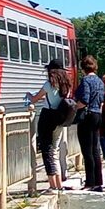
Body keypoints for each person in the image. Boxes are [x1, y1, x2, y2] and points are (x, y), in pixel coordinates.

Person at [25, 60, 74, 192]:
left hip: (47, 118)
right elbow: (58, 99)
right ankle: (59, 184)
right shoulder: (67, 85)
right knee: (55, 151)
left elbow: (34, 99)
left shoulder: (48, 85)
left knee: (47, 151)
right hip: (60, 119)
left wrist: (29, 96)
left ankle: (52, 185)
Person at [74, 54, 105, 190]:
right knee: (95, 149)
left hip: (87, 116)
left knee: (87, 150)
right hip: (97, 115)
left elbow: (85, 99)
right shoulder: (99, 81)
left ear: (83, 68)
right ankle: (98, 181)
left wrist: (75, 106)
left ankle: (90, 182)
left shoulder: (86, 80)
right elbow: (101, 99)